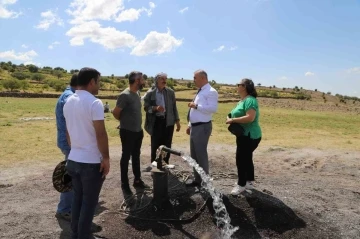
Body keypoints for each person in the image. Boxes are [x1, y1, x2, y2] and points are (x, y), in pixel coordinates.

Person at [64, 67, 110, 239]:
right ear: (91, 82)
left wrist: (76, 148)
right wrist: (105, 157)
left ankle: (75, 233)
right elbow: (100, 133)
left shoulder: (69, 101)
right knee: (89, 203)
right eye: (98, 81)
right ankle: (83, 236)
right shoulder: (94, 103)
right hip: (90, 162)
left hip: (73, 159)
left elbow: (68, 132)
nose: (99, 85)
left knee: (77, 199)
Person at [112, 71, 149, 195]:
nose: (144, 81)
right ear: (137, 80)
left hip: (138, 131)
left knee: (136, 156)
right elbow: (115, 112)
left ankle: (137, 180)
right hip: (127, 132)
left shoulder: (137, 93)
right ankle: (124, 183)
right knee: (126, 157)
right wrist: (123, 122)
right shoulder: (125, 95)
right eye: (142, 79)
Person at [226, 78, 262, 196]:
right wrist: (230, 117)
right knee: (246, 157)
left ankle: (241, 185)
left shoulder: (250, 100)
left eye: (239, 84)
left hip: (249, 135)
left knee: (241, 159)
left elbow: (250, 117)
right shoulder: (242, 100)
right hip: (243, 135)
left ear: (245, 87)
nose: (237, 86)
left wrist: (232, 120)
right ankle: (249, 182)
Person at [186, 70, 218, 187]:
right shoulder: (201, 91)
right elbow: (195, 111)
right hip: (195, 127)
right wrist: (190, 124)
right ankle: (197, 180)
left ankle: (205, 183)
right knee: (194, 155)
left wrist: (196, 106)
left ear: (203, 78)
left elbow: (213, 109)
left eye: (195, 78)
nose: (193, 80)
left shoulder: (211, 91)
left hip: (202, 127)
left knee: (201, 155)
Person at [54, 74, 78, 221]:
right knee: (70, 176)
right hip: (70, 143)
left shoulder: (67, 95)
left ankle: (67, 206)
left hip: (68, 142)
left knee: (71, 174)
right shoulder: (70, 98)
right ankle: (64, 209)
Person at [143, 72, 181, 164]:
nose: (164, 81)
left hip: (168, 122)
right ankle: (155, 164)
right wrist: (155, 108)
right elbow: (146, 108)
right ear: (157, 80)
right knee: (155, 144)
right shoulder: (150, 93)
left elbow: (174, 107)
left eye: (165, 79)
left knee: (167, 145)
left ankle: (165, 163)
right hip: (156, 122)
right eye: (162, 79)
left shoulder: (170, 92)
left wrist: (177, 121)